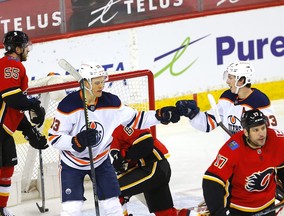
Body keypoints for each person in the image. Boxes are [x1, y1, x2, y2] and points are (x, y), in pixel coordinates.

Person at [48, 61, 180, 216]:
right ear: (85, 83)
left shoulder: (111, 102)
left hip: (100, 161)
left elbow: (136, 119)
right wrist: (76, 141)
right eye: (97, 82)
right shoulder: (67, 106)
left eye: (102, 82)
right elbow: (54, 138)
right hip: (72, 164)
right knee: (72, 209)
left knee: (112, 206)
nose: (101, 86)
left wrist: (159, 116)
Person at [202, 109, 284, 216]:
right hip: (239, 210)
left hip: (268, 206)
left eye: (263, 128)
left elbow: (283, 168)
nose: (261, 134)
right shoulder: (232, 149)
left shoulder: (277, 139)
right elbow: (211, 180)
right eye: (256, 130)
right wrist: (219, 212)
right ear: (246, 132)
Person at [0, 31, 48, 216]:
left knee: (6, 169)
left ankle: (1, 209)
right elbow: (11, 97)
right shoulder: (10, 65)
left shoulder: (11, 66)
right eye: (26, 46)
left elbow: (13, 108)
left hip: (4, 131)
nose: (28, 49)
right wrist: (34, 104)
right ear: (18, 48)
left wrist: (29, 132)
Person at [175, 61, 278, 140]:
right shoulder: (227, 97)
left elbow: (271, 137)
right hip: (232, 156)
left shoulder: (259, 102)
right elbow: (208, 124)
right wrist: (192, 114)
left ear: (241, 80)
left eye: (231, 78)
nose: (228, 81)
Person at [110, 125, 190, 216]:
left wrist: (124, 157)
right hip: (154, 169)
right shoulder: (107, 133)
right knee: (167, 214)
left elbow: (146, 144)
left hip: (153, 167)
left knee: (111, 190)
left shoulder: (123, 123)